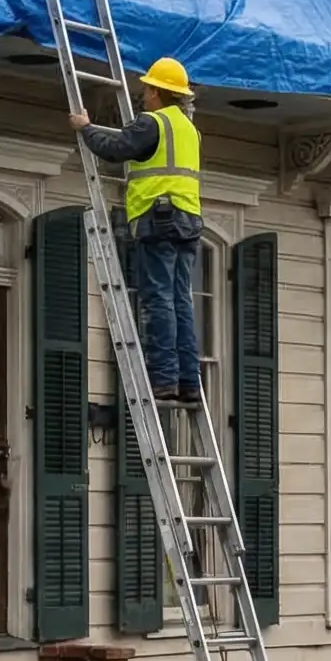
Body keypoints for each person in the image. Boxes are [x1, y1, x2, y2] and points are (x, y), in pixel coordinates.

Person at [69, 56, 204, 404]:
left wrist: (85, 127)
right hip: (188, 221)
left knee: (158, 298)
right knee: (181, 301)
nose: (143, 95)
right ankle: (189, 382)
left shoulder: (152, 123)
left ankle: (164, 380)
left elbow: (115, 149)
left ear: (159, 92)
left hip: (158, 218)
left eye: (147, 89)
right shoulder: (190, 130)